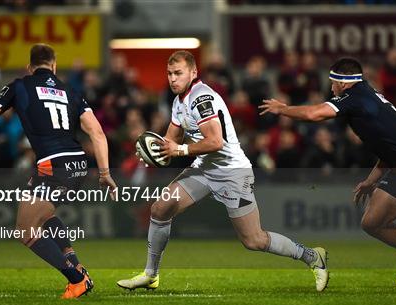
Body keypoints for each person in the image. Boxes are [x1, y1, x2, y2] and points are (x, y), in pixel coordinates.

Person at [116, 50, 328, 292]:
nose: (173, 79)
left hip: (231, 172)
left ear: (193, 72)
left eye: (178, 73)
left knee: (254, 240)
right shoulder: (178, 101)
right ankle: (151, 274)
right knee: (160, 208)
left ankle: (312, 256)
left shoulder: (201, 98)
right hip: (204, 168)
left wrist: (180, 151)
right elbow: (170, 142)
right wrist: (155, 152)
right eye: (169, 74)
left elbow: (216, 142)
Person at [259, 57, 396, 296]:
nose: (331, 87)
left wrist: (283, 109)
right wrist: (370, 182)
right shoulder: (366, 99)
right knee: (371, 222)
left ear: (344, 84)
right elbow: (388, 151)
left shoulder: (356, 98)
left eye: (334, 83)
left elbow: (315, 114)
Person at [0, 43, 117, 299]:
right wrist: (104, 172)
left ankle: (77, 280)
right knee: (43, 217)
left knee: (25, 230)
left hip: (54, 165)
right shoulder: (71, 91)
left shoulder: (20, 85)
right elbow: (97, 133)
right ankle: (77, 267)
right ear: (54, 66)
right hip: (77, 164)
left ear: (29, 67)